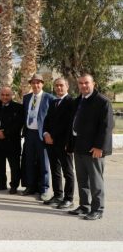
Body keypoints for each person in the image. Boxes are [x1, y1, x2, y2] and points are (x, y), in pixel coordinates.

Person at [67, 74, 113, 220]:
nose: (83, 86)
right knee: (82, 179)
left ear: (94, 84)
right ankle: (84, 206)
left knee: (95, 181)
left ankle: (98, 209)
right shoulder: (78, 100)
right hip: (79, 146)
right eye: (81, 83)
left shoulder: (102, 101)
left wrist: (100, 147)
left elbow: (106, 127)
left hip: (94, 149)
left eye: (86, 83)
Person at [42, 78, 75, 208]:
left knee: (68, 172)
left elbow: (70, 125)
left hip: (64, 143)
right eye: (56, 86)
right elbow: (47, 120)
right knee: (55, 170)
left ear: (67, 86)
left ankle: (69, 198)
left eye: (61, 85)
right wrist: (46, 133)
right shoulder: (53, 102)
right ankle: (57, 195)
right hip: (51, 143)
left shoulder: (71, 102)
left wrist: (67, 142)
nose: (59, 88)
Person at [21, 73, 55, 200]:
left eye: (38, 83)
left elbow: (52, 118)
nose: (35, 85)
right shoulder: (26, 98)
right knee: (29, 161)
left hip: (42, 135)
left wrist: (49, 133)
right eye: (33, 83)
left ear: (42, 84)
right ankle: (30, 186)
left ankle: (44, 189)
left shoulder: (49, 98)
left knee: (44, 162)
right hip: (29, 133)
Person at [0, 86, 24, 193]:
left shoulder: (18, 108)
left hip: (12, 141)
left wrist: (5, 133)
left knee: (14, 166)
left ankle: (14, 186)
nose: (5, 97)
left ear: (12, 95)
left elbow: (18, 124)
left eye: (7, 95)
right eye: (3, 95)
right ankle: (1, 183)